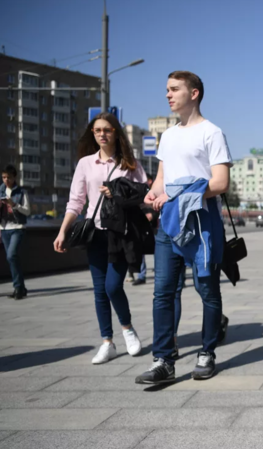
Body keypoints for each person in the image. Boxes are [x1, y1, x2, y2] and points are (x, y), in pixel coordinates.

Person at [135, 71, 232, 384]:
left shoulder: (212, 133)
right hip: (169, 225)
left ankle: (207, 351)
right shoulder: (169, 136)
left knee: (207, 290)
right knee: (163, 292)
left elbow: (220, 182)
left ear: (194, 93)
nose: (167, 94)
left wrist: (177, 193)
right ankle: (163, 359)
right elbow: (162, 177)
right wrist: (153, 192)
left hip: (202, 223)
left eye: (174, 89)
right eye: (166, 89)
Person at [53, 112, 146, 364]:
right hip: (95, 233)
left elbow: (144, 196)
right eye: (97, 131)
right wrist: (62, 231)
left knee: (112, 286)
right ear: (93, 135)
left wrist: (116, 193)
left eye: (107, 129)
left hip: (121, 233)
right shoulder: (85, 163)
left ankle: (127, 329)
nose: (102, 134)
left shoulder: (131, 163)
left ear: (116, 132)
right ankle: (107, 342)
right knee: (99, 291)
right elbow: (76, 201)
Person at [1, 165, 30, 300]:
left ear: (14, 178)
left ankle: (18, 287)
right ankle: (20, 288)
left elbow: (27, 211)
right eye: (4, 177)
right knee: (12, 259)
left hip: (18, 228)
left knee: (11, 256)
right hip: (4, 228)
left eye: (9, 177)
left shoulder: (21, 192)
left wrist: (14, 205)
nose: (6, 180)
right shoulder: (0, 191)